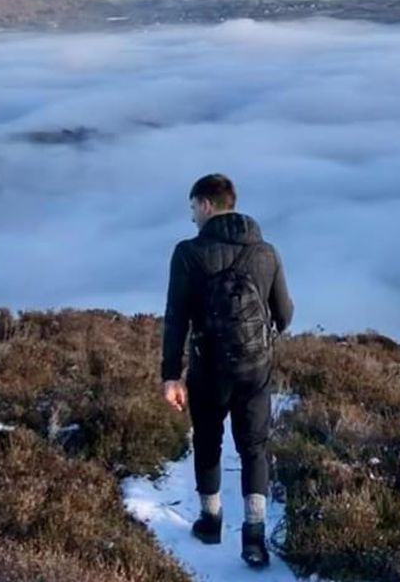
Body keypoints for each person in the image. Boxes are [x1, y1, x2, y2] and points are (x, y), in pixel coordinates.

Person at [161, 173, 294, 568]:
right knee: (254, 448)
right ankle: (254, 538)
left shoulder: (187, 253)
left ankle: (210, 520)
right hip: (256, 369)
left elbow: (176, 319)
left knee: (208, 440)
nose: (191, 219)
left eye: (192, 209)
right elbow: (283, 314)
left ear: (205, 205)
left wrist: (171, 374)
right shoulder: (267, 252)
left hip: (208, 367)